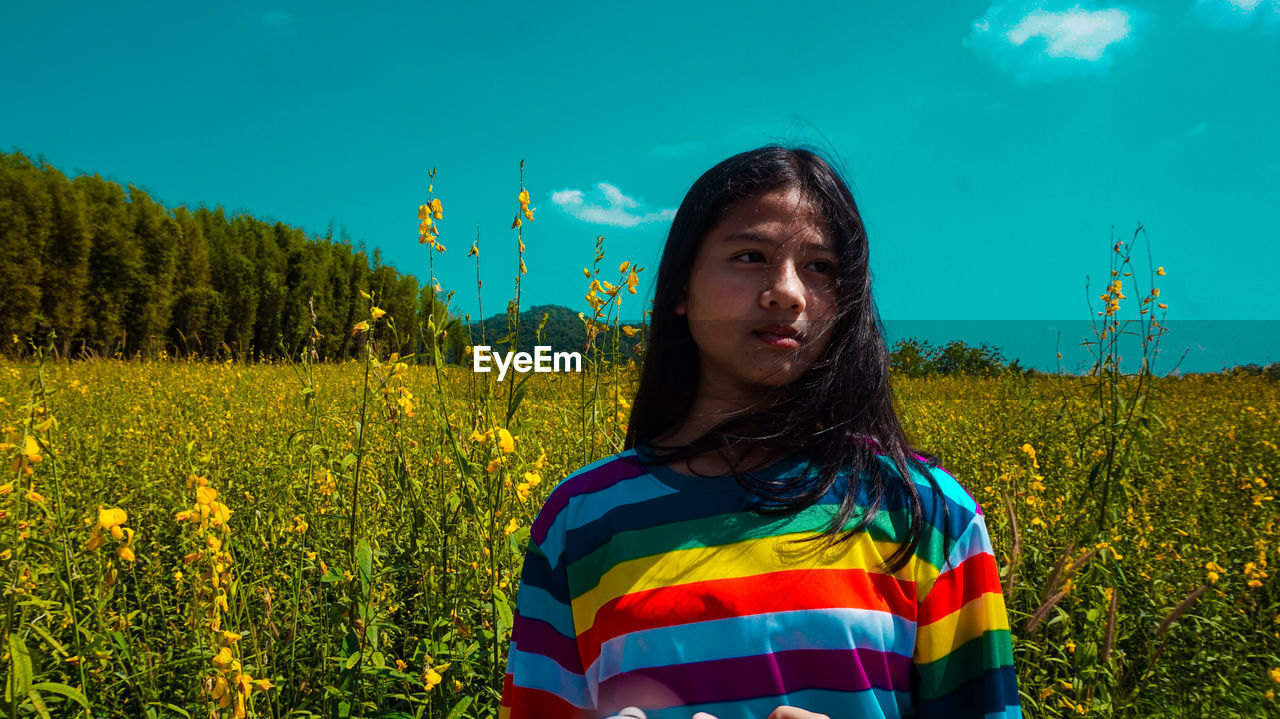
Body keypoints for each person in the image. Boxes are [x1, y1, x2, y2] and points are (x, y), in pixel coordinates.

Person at [498, 146, 1021, 719]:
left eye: (821, 267)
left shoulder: (927, 511)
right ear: (679, 290)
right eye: (750, 256)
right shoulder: (582, 519)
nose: (787, 292)